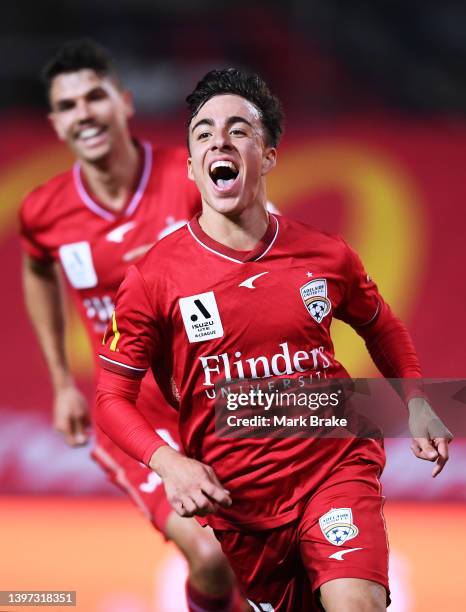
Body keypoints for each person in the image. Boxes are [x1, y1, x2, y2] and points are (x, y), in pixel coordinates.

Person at [95, 68, 452, 611]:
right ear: (192, 166)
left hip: (334, 461)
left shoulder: (326, 254)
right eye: (204, 132)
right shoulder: (154, 278)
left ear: (267, 156)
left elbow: (380, 324)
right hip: (241, 503)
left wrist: (419, 399)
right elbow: (109, 398)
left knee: (355, 604)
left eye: (239, 129)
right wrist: (170, 463)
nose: (220, 139)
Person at [20, 41, 244, 612]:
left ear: (124, 102)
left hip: (219, 401)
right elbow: (37, 270)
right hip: (134, 416)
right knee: (212, 557)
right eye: (68, 106)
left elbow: (259, 255)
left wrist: (183, 259)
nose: (84, 113)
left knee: (261, 557)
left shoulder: (190, 177)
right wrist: (60, 381)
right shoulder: (45, 211)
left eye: (96, 96)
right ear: (55, 123)